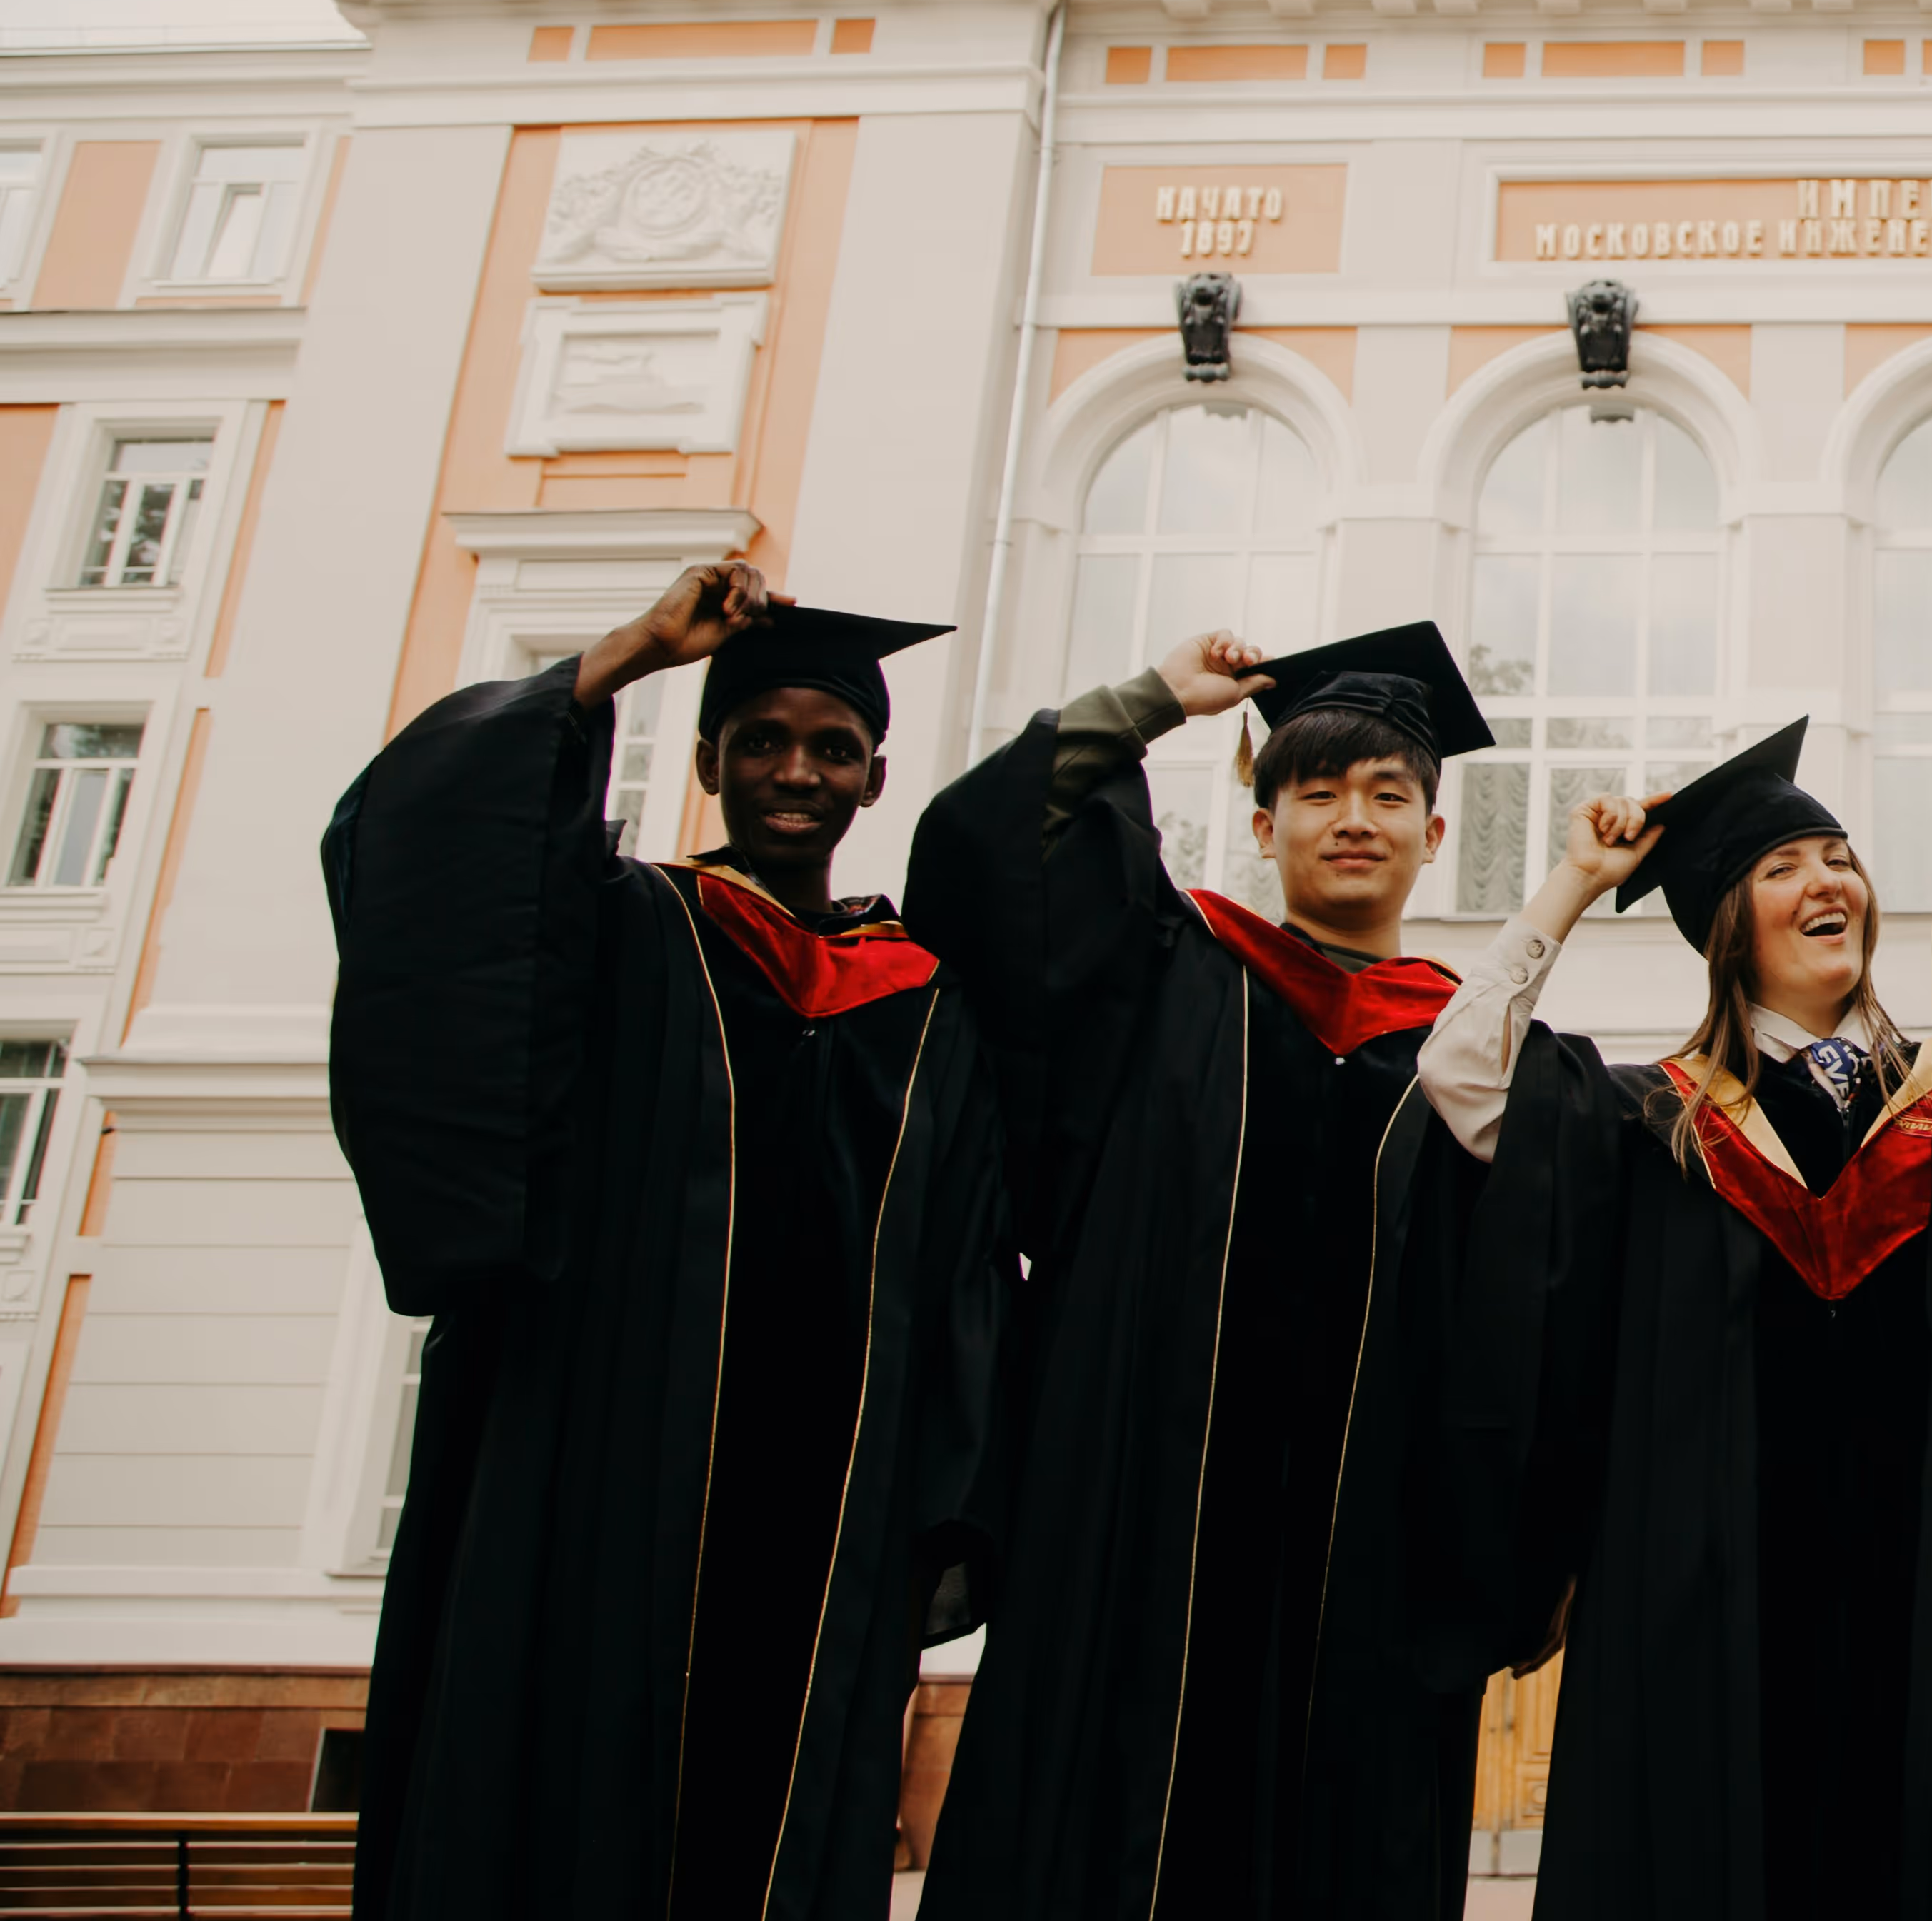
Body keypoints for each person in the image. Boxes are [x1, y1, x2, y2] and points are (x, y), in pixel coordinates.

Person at [323, 564, 1013, 1921]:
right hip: (605, 1471)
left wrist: (948, 1490)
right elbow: (436, 855)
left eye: (832, 748)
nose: (795, 773)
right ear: (705, 763)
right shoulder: (629, 932)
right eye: (761, 741)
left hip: (829, 1509)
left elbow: (970, 1265)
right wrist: (633, 649)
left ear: (876, 780)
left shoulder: (929, 1004)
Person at [1421, 723, 1932, 1921]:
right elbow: (1462, 1076)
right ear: (1726, 925)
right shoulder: (1651, 1129)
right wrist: (1576, 884)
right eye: (1784, 867)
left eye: (1841, 858)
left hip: (1926, 1613)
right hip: (1695, 1620)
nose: (1829, 883)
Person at [909, 623, 1508, 1921]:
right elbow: (989, 854)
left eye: (1390, 794)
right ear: (1261, 821)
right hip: (1142, 1514)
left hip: (1373, 1550)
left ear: (1435, 836)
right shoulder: (1166, 977)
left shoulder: (1478, 1056)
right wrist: (1151, 703)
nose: (1355, 819)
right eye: (1317, 791)